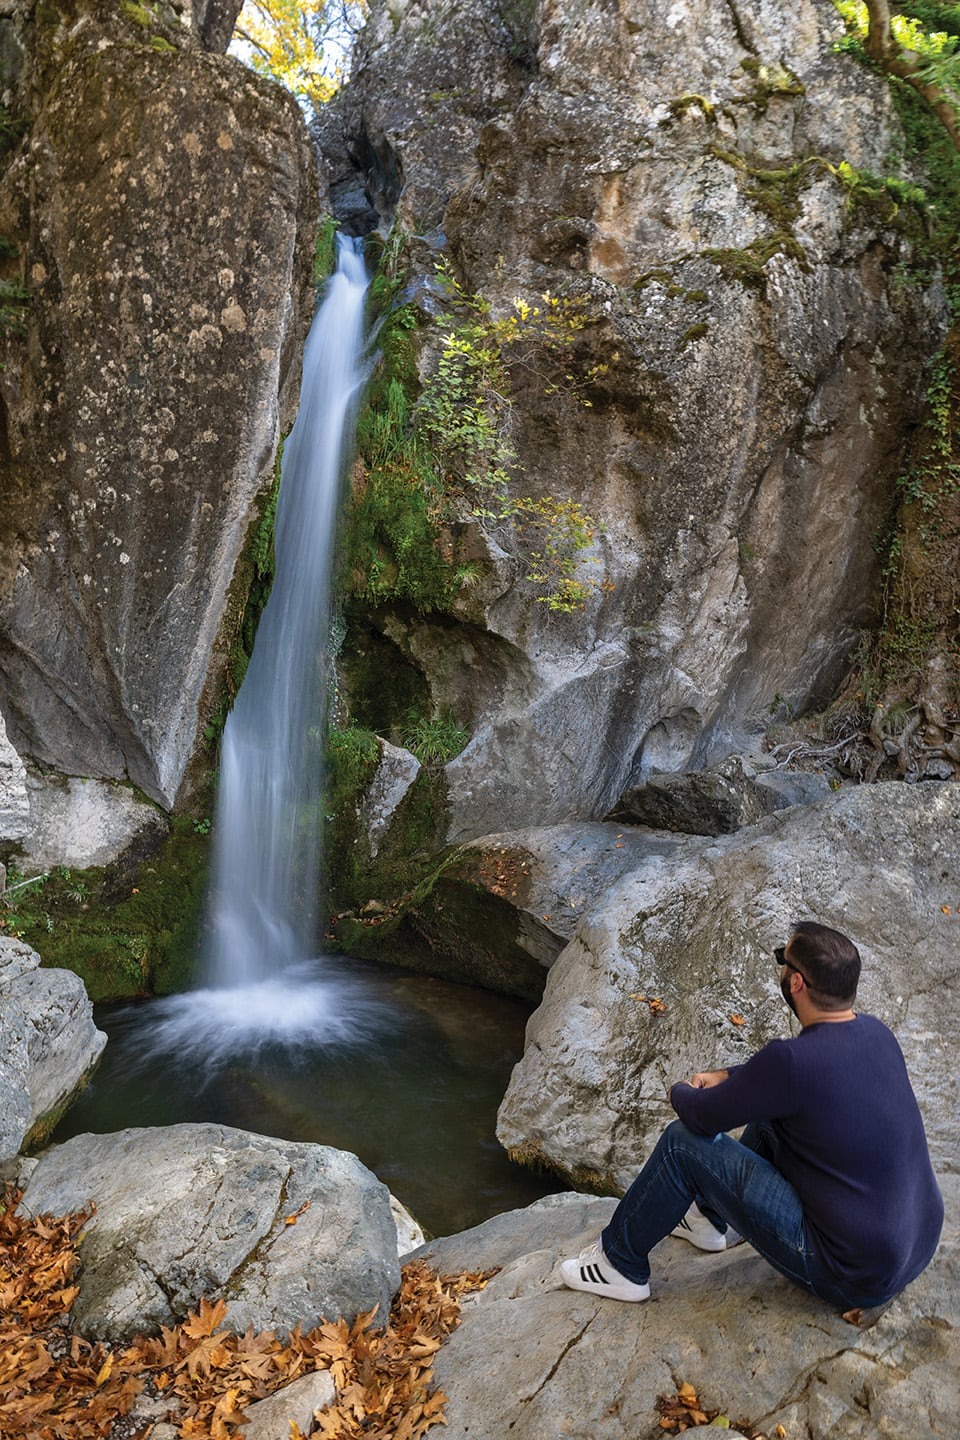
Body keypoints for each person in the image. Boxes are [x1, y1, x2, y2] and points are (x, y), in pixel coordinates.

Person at [561, 921, 944, 1309]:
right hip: (914, 1249)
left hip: (848, 1275)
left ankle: (619, 1264)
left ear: (796, 982)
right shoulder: (878, 1035)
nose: (779, 967)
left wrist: (680, 1088)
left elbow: (700, 1117)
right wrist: (728, 1075)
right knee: (770, 1115)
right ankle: (710, 1221)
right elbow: (789, 1082)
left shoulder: (792, 1063)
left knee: (681, 1145)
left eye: (782, 959)